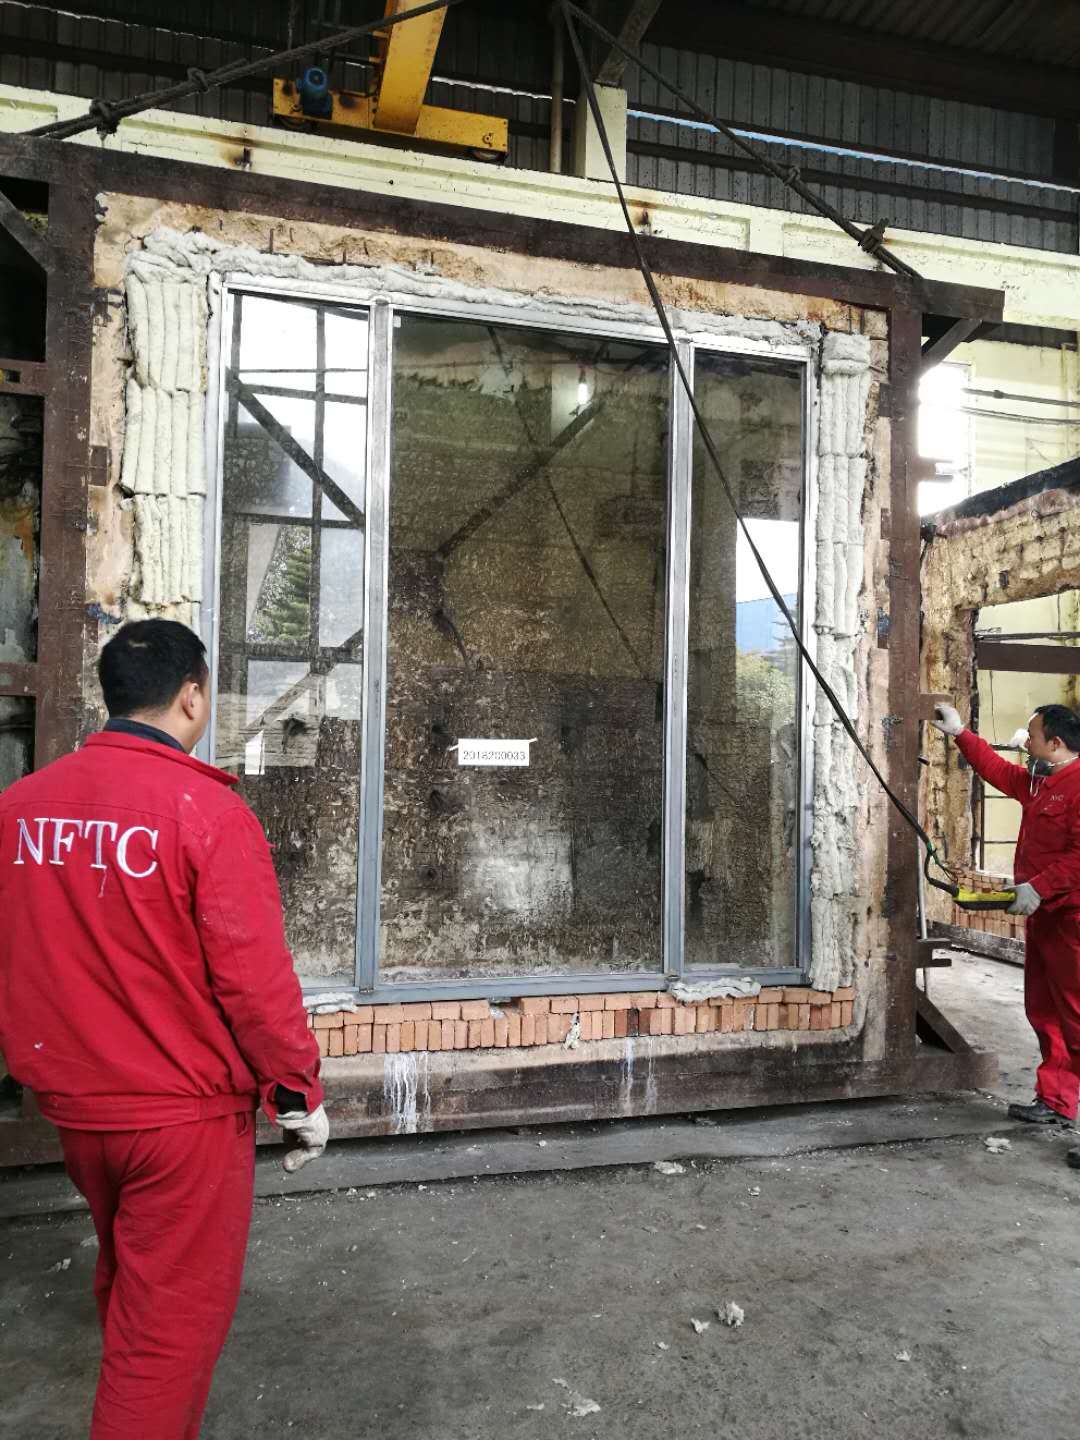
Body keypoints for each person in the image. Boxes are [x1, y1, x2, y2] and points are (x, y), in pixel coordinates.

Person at [0, 618, 328, 1439]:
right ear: (192, 697)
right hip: (182, 1121)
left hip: (80, 1116)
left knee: (130, 1283)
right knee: (165, 1338)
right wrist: (296, 1093)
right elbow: (254, 982)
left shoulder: (20, 809)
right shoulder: (205, 812)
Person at [931, 701, 1080, 1167]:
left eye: (1032, 735)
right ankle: (1056, 1101)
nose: (1025, 741)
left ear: (1056, 743)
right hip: (1045, 919)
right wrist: (960, 733)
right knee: (1045, 1012)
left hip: (1073, 921)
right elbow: (997, 770)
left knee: (1077, 1019)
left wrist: (1039, 887)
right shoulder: (1041, 782)